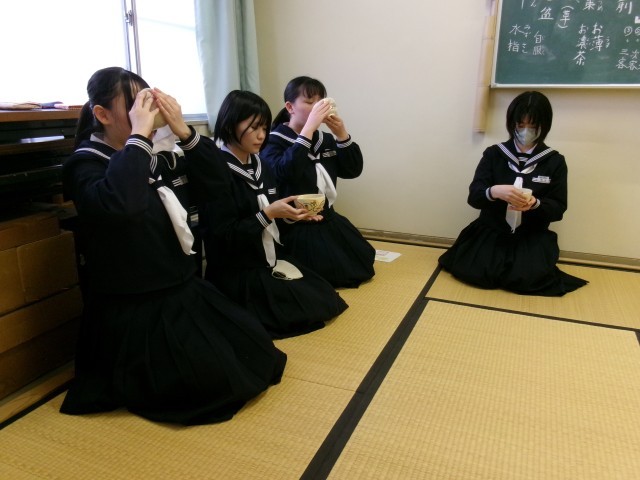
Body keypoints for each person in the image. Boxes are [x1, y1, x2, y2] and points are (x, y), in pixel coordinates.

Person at [60, 67, 286, 425]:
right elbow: (124, 205)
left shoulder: (157, 153)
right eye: (135, 107)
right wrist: (139, 135)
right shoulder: (85, 164)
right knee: (211, 383)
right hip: (137, 303)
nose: (147, 115)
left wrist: (184, 131)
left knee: (256, 351)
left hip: (182, 288)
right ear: (102, 114)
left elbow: (219, 184)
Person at [185, 89, 348, 338]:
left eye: (264, 127)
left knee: (324, 296)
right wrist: (268, 214)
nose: (262, 135)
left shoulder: (259, 163)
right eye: (253, 128)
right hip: (237, 270)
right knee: (295, 314)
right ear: (229, 125)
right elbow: (223, 236)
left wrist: (291, 214)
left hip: (266, 259)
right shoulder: (217, 172)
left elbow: (270, 210)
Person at [439, 91, 587, 296]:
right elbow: (474, 197)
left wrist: (535, 204)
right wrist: (494, 192)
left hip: (531, 236)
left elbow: (558, 208)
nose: (526, 131)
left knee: (526, 280)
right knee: (477, 274)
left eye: (533, 126)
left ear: (544, 126)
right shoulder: (494, 154)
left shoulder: (554, 161)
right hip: (490, 233)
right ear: (512, 123)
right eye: (520, 125)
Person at [260, 76, 375, 288]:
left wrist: (341, 134)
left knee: (362, 263)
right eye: (309, 101)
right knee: (320, 277)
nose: (317, 107)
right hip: (294, 225)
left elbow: (352, 171)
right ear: (290, 107)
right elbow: (284, 173)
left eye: (320, 101)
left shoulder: (325, 140)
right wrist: (307, 131)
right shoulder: (273, 141)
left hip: (327, 218)